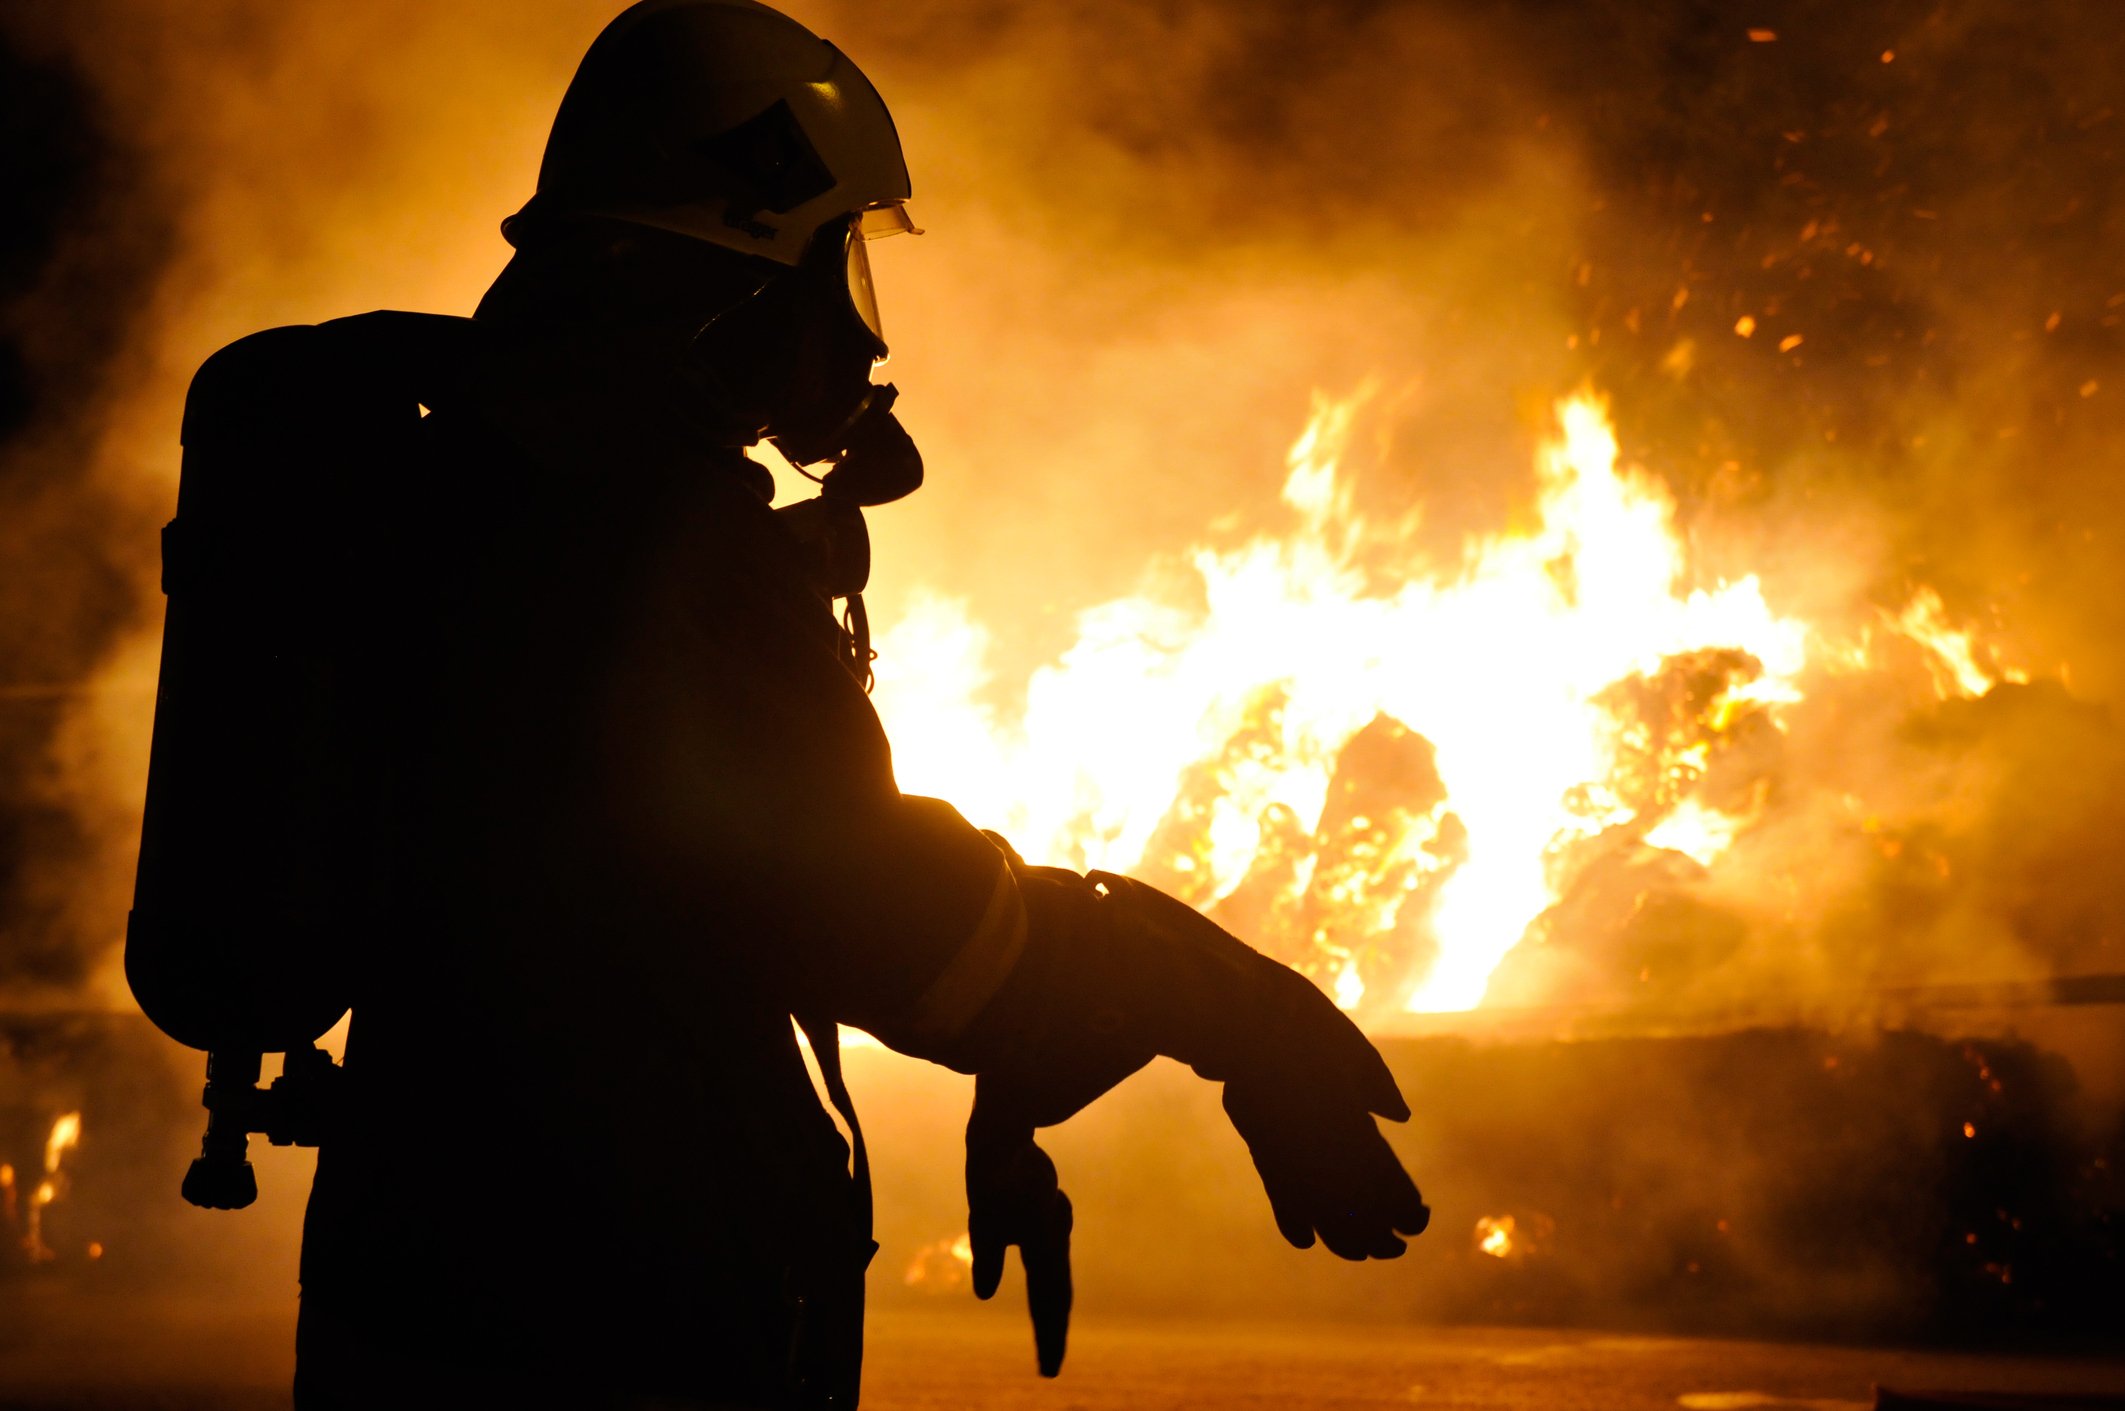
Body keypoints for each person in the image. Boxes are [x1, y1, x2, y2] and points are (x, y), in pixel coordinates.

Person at [150, 2, 1428, 1407]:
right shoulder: (644, 550)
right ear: (747, 270)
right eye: (839, 264)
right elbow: (901, 929)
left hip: (423, 1274)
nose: (857, 338)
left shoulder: (458, 490)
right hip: (631, 1314)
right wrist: (1215, 996)